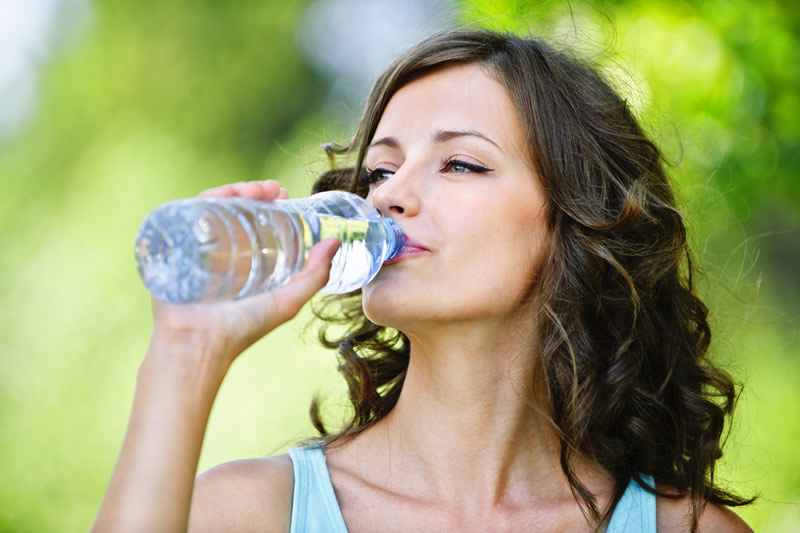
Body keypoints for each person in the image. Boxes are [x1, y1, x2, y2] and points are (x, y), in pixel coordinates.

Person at [93, 28, 754, 532]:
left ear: (579, 222)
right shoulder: (250, 511)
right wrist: (185, 353)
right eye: (381, 171)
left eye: (460, 164)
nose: (389, 197)